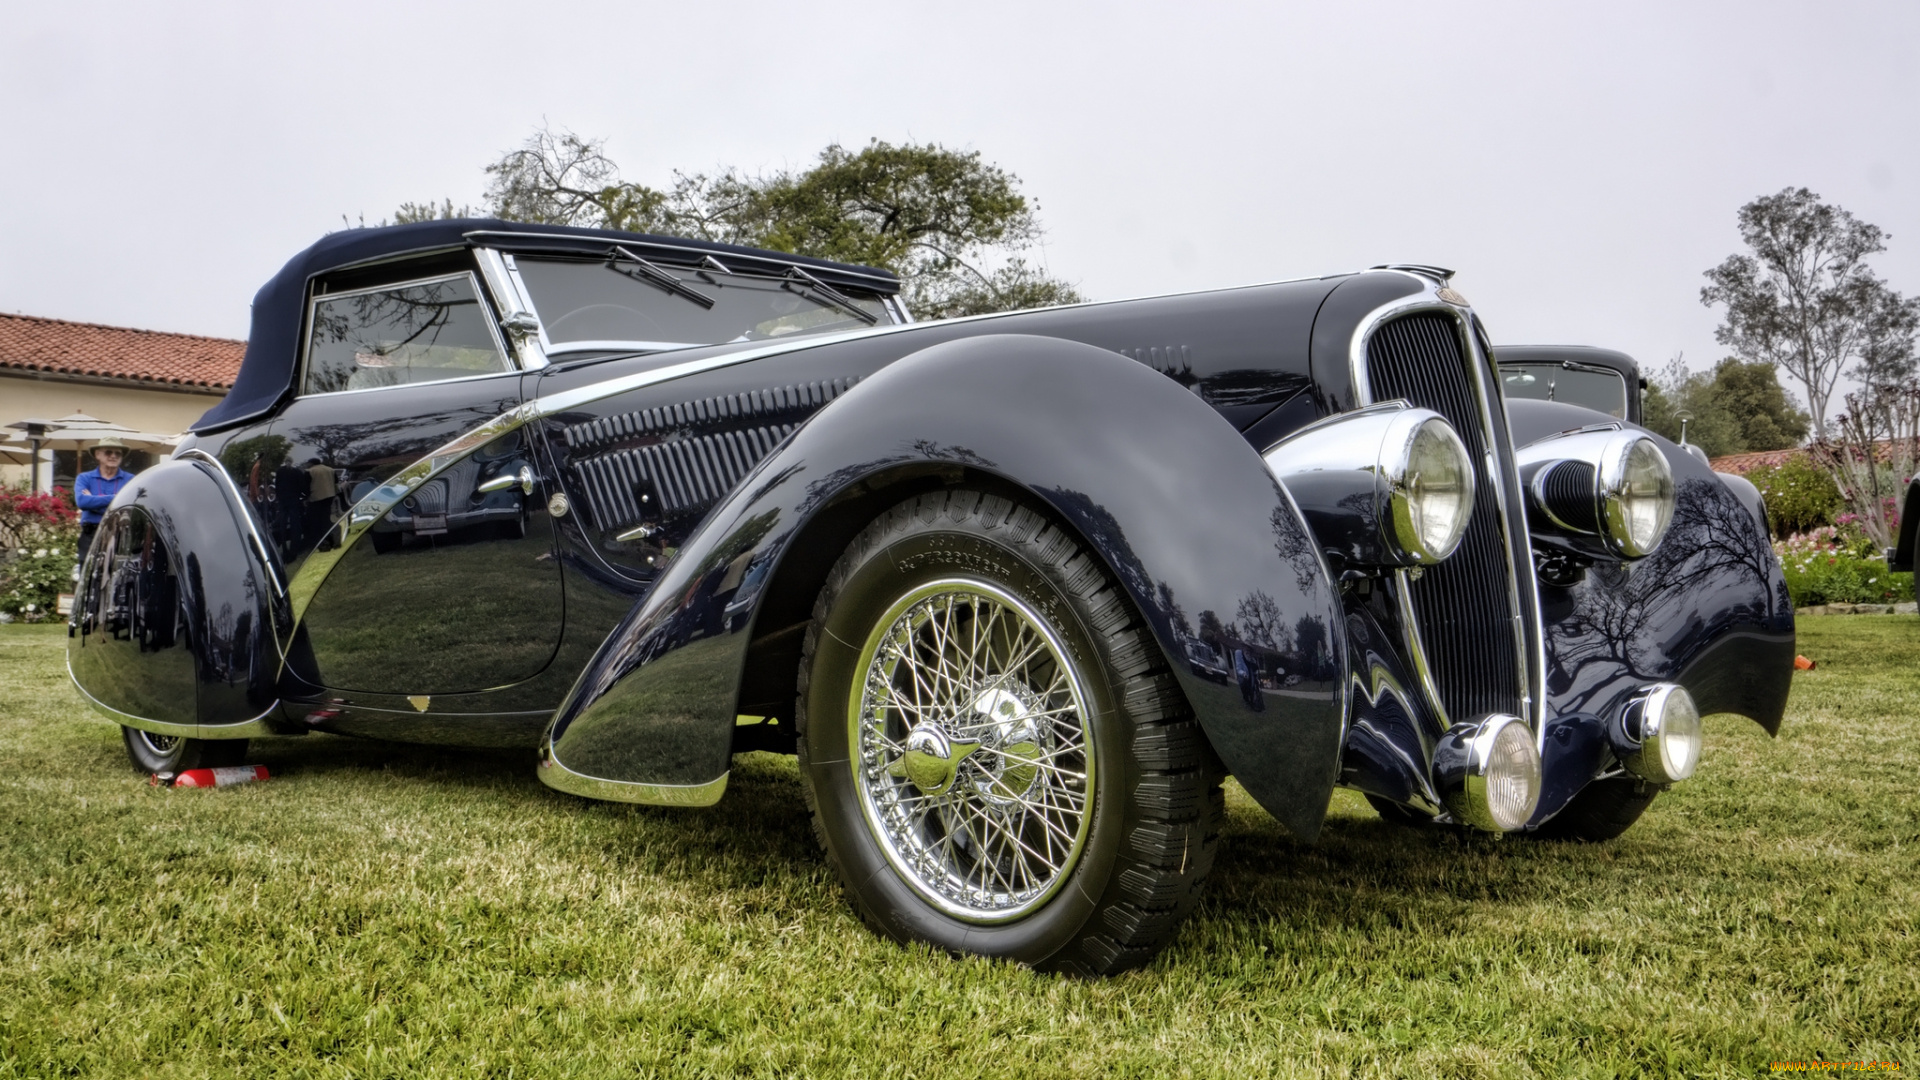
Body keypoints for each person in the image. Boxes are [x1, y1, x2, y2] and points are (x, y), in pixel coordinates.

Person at [75, 437, 136, 567]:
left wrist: (94, 502)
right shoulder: (84, 478)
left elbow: (129, 507)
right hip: (91, 534)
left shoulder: (130, 479)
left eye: (118, 453)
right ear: (98, 455)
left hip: (118, 534)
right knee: (88, 576)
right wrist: (117, 497)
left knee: (116, 576)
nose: (113, 456)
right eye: (108, 452)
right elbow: (82, 502)